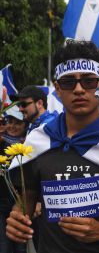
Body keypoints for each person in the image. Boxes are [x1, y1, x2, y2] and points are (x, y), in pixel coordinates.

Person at [5, 40, 99, 253]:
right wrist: (18, 217)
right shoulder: (38, 139)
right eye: (68, 82)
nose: (78, 89)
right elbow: (28, 197)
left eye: (88, 81)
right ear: (57, 89)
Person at [0, 108, 27, 253]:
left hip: (22, 206)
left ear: (26, 126)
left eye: (18, 123)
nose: (12, 126)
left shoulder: (31, 146)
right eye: (10, 122)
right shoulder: (2, 143)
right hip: (2, 207)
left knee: (21, 247)